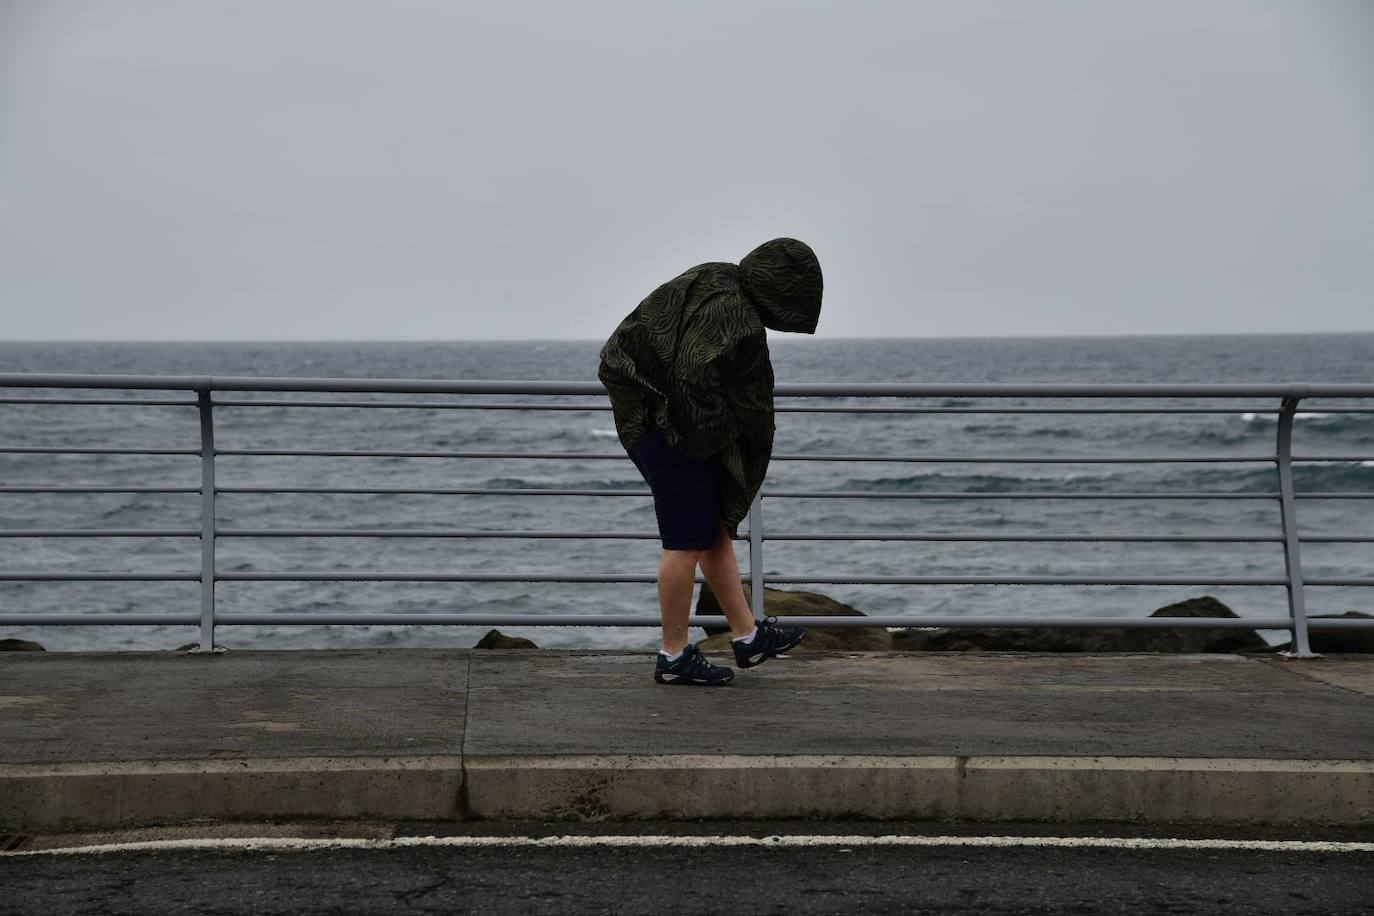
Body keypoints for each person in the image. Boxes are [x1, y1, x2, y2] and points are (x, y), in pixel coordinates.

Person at [597, 238, 824, 685]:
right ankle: (674, 655)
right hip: (672, 426)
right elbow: (694, 377)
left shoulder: (720, 276)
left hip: (649, 408)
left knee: (712, 529)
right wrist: (716, 438)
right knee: (684, 541)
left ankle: (746, 635)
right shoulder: (735, 314)